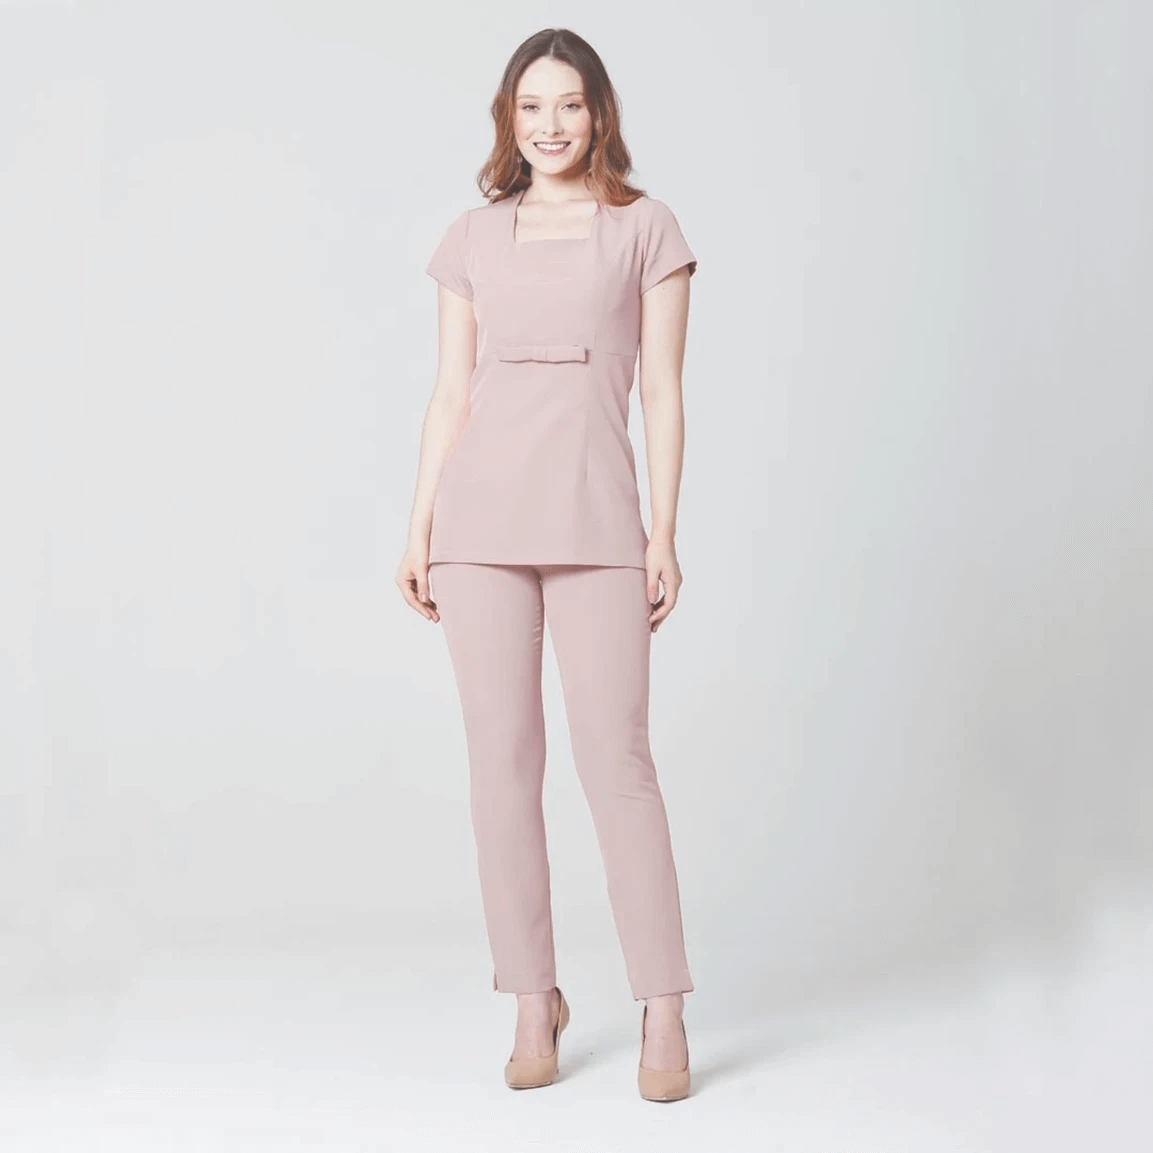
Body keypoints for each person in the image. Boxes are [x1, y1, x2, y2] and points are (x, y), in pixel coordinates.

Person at [396, 28, 698, 1102]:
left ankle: (662, 999)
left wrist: (662, 532)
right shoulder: (471, 236)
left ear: (598, 113)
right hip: (478, 523)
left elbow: (661, 390)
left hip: (597, 517)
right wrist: (419, 526)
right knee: (501, 766)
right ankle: (532, 994)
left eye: (568, 104)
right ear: (508, 119)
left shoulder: (645, 229)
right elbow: (450, 392)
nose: (550, 125)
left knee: (618, 761)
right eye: (530, 106)